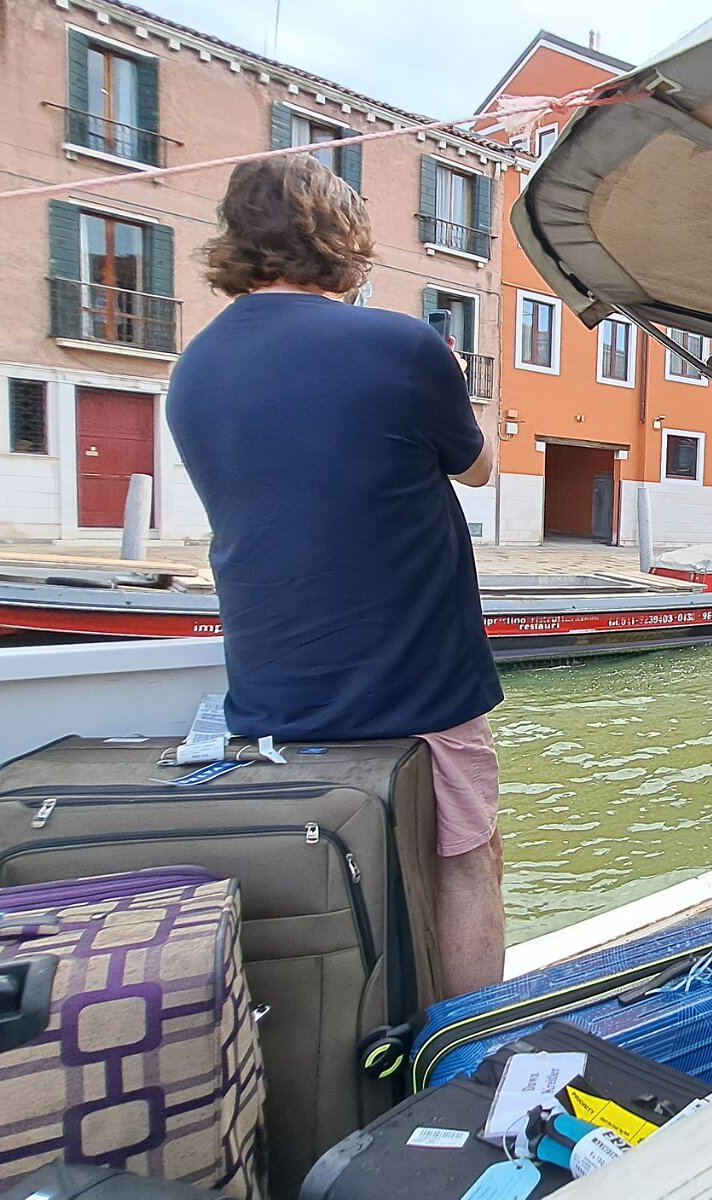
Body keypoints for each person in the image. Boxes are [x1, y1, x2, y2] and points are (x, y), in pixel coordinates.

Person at [168, 156, 506, 995]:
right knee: (467, 862)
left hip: (273, 695)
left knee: (344, 874)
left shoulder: (193, 370)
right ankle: (470, 1046)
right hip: (420, 686)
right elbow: (478, 470)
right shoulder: (403, 345)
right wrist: (454, 382)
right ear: (343, 239)